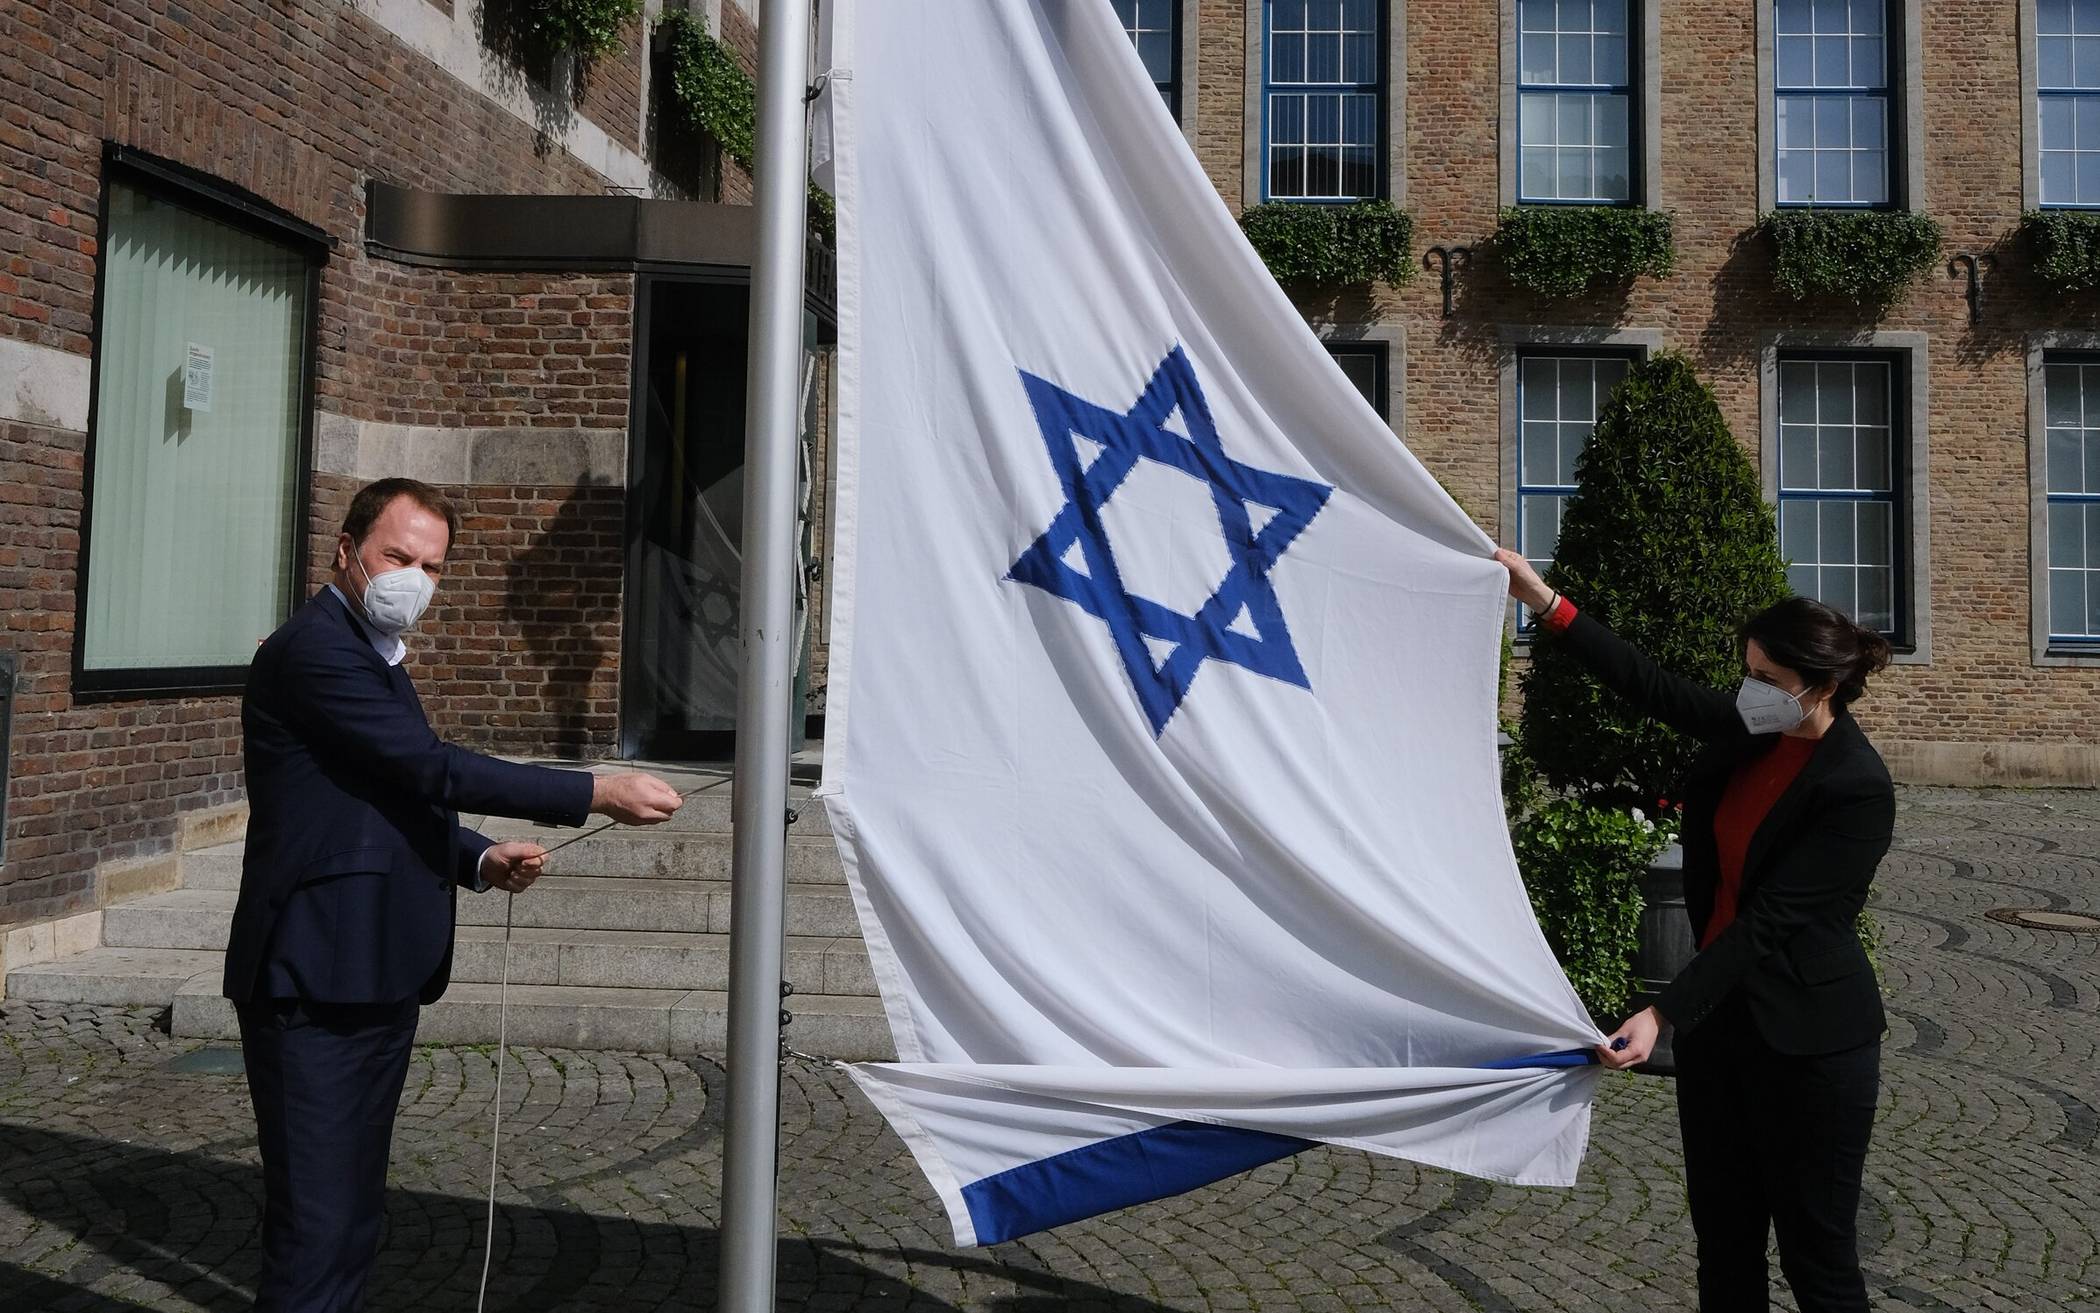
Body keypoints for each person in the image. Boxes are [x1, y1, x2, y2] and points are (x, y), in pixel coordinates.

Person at [225, 477, 686, 1312]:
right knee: (316, 1224)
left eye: (432, 566)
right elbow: (429, 766)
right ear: (346, 552)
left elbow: (384, 795)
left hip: (377, 973)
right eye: (397, 556)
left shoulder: (377, 656)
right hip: (312, 978)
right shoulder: (317, 648)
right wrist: (593, 791)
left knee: (356, 1215)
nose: (414, 578)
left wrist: (475, 856)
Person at [1495, 548, 1894, 1313]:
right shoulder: (1757, 725)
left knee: (1820, 1264)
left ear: (1824, 685)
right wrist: (1547, 602)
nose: (1752, 691)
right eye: (1748, 672)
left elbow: (1768, 924)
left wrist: (1661, 1010)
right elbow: (1655, 688)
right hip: (1721, 1034)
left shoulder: (1855, 786)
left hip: (1811, 1046)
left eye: (1769, 680)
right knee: (1726, 1248)